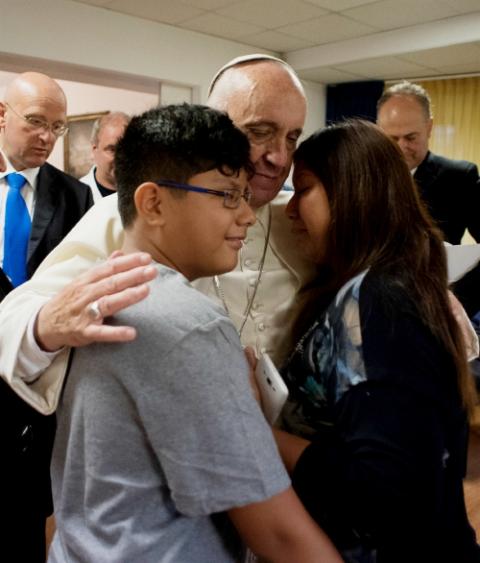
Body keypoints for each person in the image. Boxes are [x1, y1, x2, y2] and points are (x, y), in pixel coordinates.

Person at [49, 103, 341, 563]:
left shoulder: (97, 292)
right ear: (154, 203)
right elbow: (281, 535)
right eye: (228, 195)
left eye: (246, 195)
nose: (246, 215)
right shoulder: (190, 324)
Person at [0, 54, 318, 415]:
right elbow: (12, 324)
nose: (279, 157)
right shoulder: (128, 215)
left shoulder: (301, 219)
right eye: (260, 132)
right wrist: (46, 326)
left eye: (292, 138)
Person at [271, 119, 480, 562]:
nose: (289, 210)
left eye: (303, 189)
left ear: (352, 194)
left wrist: (261, 434)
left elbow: (381, 491)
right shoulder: (385, 286)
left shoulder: (379, 298)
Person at [0, 71, 93, 562]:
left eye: (57, 128)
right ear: (2, 116)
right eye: (36, 122)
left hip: (37, 377)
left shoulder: (74, 197)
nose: (46, 138)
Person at [376, 80, 480, 245]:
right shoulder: (365, 177)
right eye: (393, 138)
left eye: (411, 137)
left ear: (429, 128)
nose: (401, 147)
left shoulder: (459, 177)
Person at [80, 111, 130, 201]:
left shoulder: (147, 191)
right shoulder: (75, 197)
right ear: (95, 149)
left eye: (126, 149)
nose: (121, 157)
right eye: (112, 149)